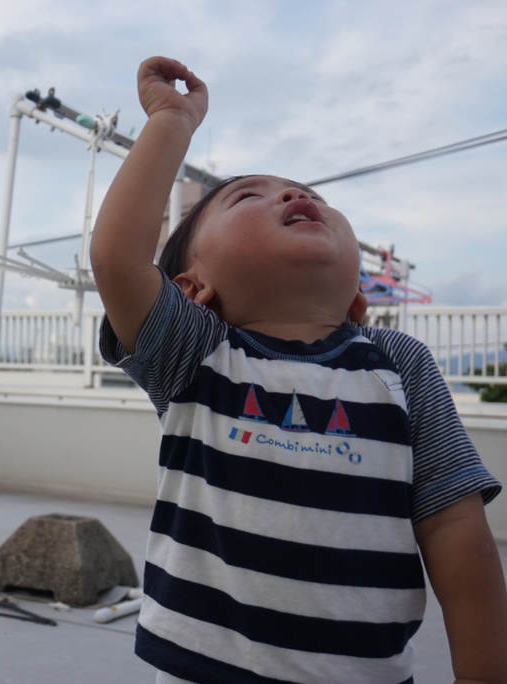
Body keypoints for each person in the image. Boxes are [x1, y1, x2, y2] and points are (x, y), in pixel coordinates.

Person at [90, 56, 507, 684]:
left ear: (357, 301)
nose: (295, 194)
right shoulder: (196, 354)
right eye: (248, 197)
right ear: (190, 288)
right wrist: (173, 120)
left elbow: (456, 528)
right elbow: (117, 257)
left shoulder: (400, 366)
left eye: (312, 196)